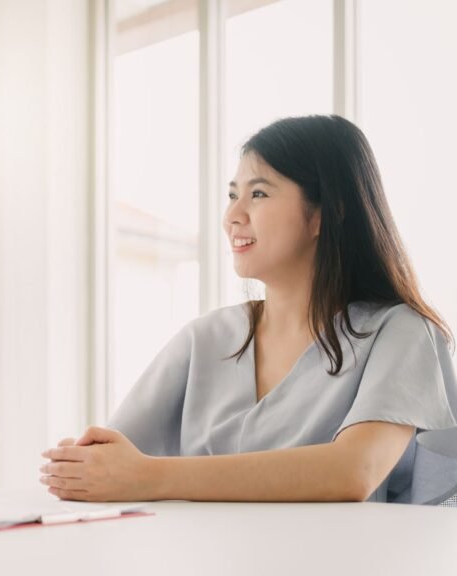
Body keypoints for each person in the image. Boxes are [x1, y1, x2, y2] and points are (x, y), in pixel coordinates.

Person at [41, 115, 457, 504]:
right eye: (232, 195)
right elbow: (112, 459)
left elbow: (355, 470)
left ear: (326, 215)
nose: (232, 216)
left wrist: (151, 477)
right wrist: (83, 465)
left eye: (258, 193)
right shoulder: (205, 338)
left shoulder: (401, 332)